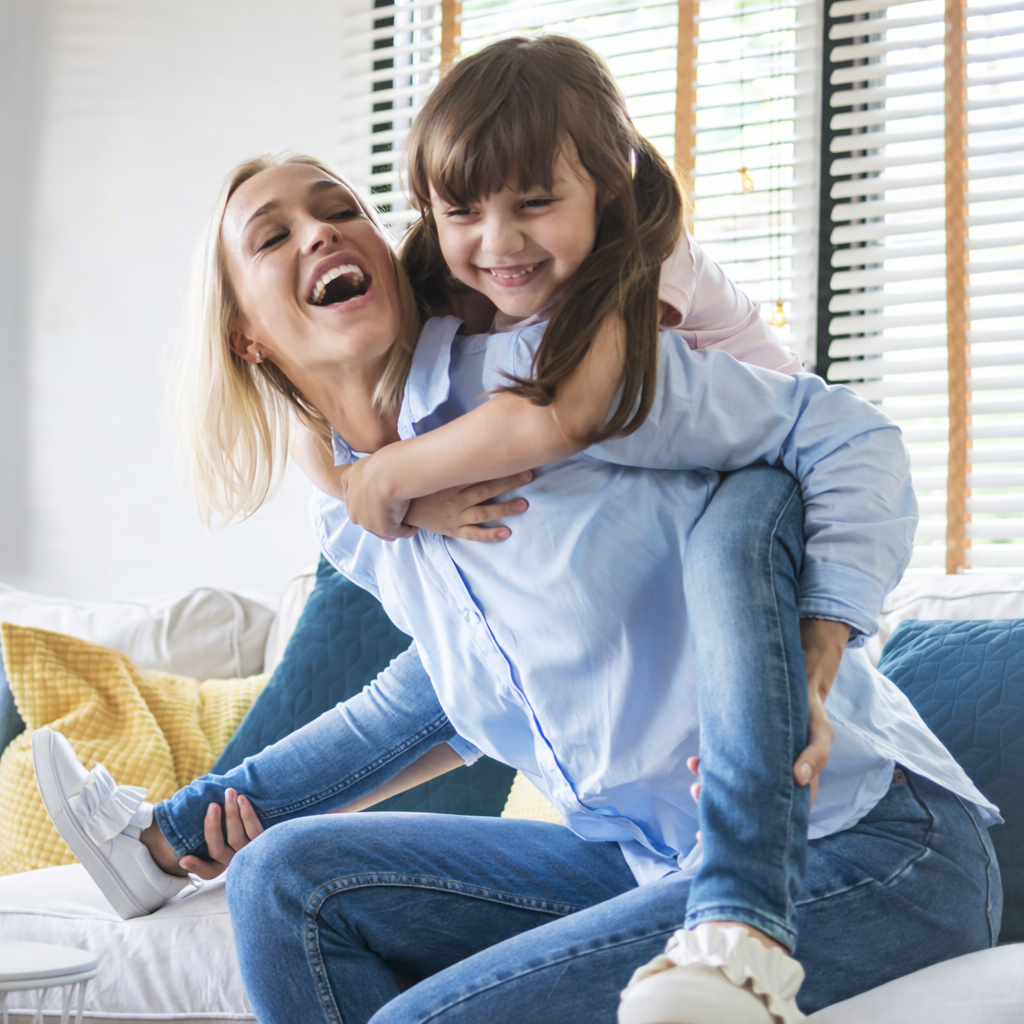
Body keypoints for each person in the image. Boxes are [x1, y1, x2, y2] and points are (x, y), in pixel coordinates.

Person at [32, 37, 1000, 1024]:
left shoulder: (558, 367)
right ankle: (159, 836)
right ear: (244, 330)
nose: (321, 235)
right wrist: (218, 817)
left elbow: (839, 434)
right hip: (656, 855)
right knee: (283, 876)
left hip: (867, 839)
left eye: (339, 210)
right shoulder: (360, 517)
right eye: (273, 237)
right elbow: (446, 698)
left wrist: (818, 648)